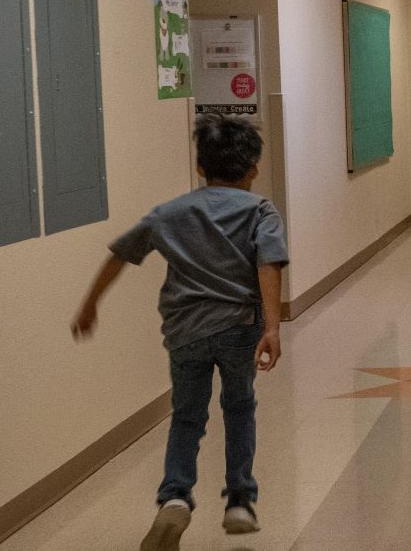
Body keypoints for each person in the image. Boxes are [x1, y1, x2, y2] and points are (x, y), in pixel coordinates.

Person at [69, 114, 287, 549]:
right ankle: (240, 500)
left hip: (185, 331)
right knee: (239, 407)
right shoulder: (260, 210)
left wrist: (91, 303)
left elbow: (120, 253)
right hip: (238, 329)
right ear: (254, 169)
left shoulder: (170, 212)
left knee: (187, 414)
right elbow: (268, 263)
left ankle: (176, 497)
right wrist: (272, 326)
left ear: (200, 167)